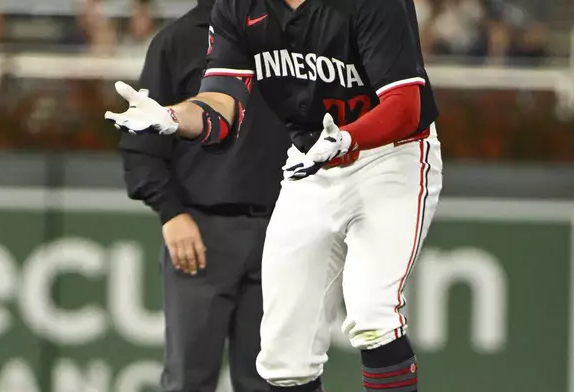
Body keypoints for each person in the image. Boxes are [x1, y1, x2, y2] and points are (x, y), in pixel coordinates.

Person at [107, 0, 443, 391]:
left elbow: (405, 107)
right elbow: (220, 107)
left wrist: (349, 138)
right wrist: (171, 118)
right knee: (284, 360)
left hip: (389, 154)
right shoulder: (237, 6)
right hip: (311, 159)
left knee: (373, 316)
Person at [118, 1, 290, 391]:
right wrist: (171, 214)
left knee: (277, 380)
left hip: (284, 230)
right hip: (202, 231)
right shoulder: (178, 41)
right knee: (189, 380)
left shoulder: (292, 35)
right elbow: (139, 143)